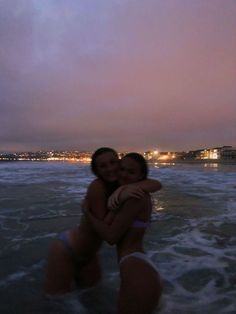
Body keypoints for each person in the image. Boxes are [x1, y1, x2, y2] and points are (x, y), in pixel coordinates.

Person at [44, 148, 162, 295]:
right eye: (103, 166)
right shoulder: (97, 187)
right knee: (56, 303)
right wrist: (88, 212)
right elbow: (107, 229)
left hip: (90, 255)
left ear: (119, 162)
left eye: (113, 162)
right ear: (97, 171)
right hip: (68, 251)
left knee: (90, 299)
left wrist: (128, 188)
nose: (110, 168)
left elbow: (156, 184)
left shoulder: (122, 183)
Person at [84, 153, 162, 314]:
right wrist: (121, 192)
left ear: (140, 175)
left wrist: (87, 213)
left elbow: (111, 237)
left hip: (137, 273)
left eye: (131, 172)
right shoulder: (128, 194)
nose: (124, 174)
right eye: (122, 169)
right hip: (138, 266)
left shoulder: (135, 197)